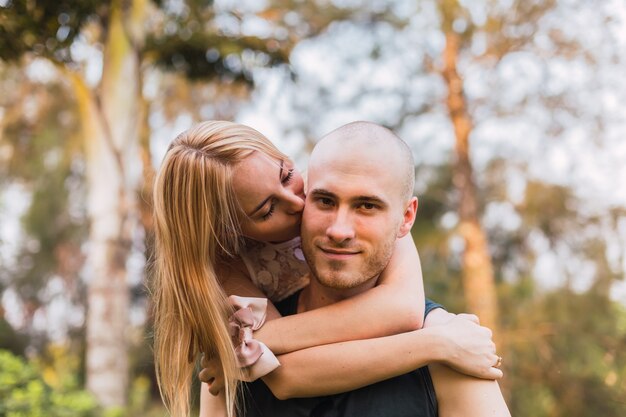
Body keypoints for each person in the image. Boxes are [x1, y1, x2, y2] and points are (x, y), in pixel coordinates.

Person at [152, 121, 501, 417]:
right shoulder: (222, 272)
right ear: (230, 232)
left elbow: (404, 310)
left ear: (404, 217)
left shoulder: (447, 341)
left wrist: (259, 342)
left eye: (288, 176)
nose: (299, 203)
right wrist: (434, 344)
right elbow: (284, 378)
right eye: (265, 210)